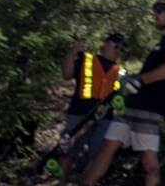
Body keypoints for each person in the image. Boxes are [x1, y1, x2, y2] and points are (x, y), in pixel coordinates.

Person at [50, 0, 165, 186]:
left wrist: (140, 80)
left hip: (149, 111)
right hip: (133, 106)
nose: (156, 15)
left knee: (149, 161)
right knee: (107, 147)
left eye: (160, 11)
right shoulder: (160, 43)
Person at [44, 31, 125, 177]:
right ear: (105, 43)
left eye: (122, 47)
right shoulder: (86, 60)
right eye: (116, 44)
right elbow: (67, 74)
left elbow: (120, 99)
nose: (119, 48)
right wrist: (73, 52)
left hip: (104, 118)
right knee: (68, 152)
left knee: (97, 156)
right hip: (79, 114)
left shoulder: (121, 72)